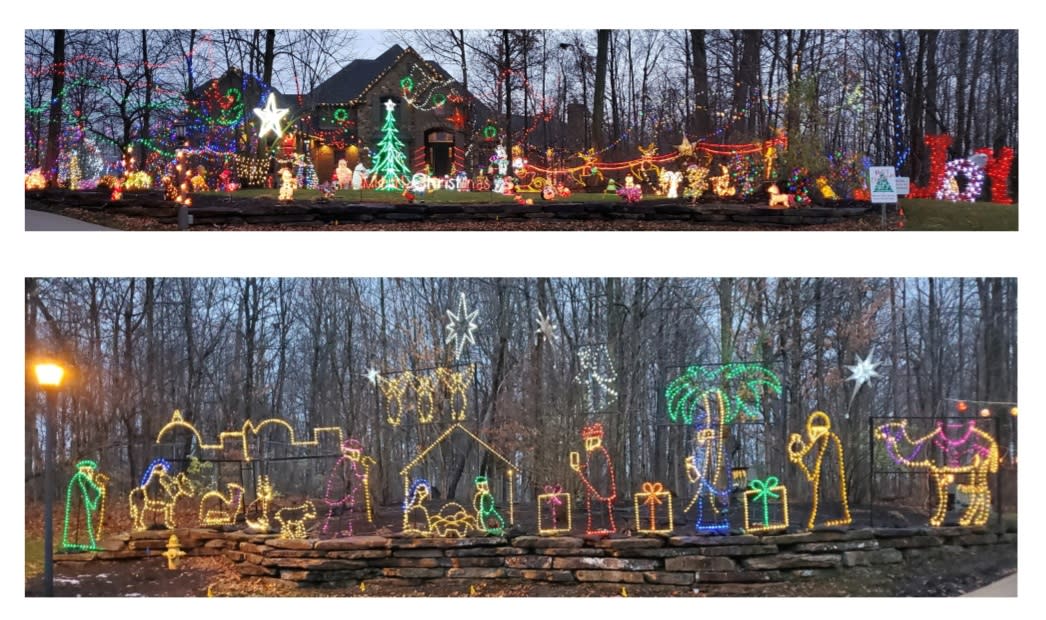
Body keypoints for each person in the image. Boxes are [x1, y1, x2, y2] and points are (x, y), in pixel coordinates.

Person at [788, 411, 852, 529]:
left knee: (833, 498)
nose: (813, 434)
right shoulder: (822, 441)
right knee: (823, 498)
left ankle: (835, 519)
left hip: (832, 479)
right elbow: (807, 454)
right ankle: (833, 519)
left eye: (814, 431)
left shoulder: (830, 440)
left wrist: (799, 454)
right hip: (827, 477)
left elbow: (808, 455)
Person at [570, 423, 617, 535]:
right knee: (597, 510)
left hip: (601, 490)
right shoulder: (593, 453)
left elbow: (597, 472)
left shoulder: (598, 452)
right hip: (596, 490)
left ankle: (603, 527)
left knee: (603, 509)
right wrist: (580, 468)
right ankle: (596, 527)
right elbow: (587, 468)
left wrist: (581, 470)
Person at [321, 439, 373, 536]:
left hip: (341, 492)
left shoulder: (349, 462)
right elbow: (349, 476)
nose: (357, 455)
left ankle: (341, 530)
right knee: (336, 512)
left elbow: (352, 475)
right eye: (356, 452)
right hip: (338, 492)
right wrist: (361, 477)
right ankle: (332, 531)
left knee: (344, 511)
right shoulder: (345, 461)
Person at [62, 460, 105, 551]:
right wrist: (98, 492)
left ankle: (81, 542)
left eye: (92, 471)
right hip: (79, 508)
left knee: (86, 523)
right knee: (84, 523)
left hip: (82, 506)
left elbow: (93, 489)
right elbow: (90, 491)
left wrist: (98, 491)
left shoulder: (83, 479)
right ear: (84, 470)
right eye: (89, 471)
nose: (91, 474)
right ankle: (75, 543)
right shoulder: (80, 477)